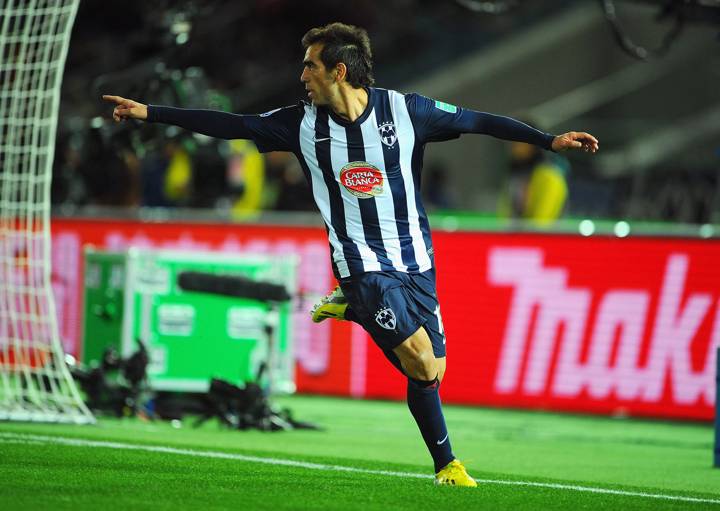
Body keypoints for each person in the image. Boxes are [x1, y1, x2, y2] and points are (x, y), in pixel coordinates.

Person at [104, 22, 598, 487]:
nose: (302, 76)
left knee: (432, 371)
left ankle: (354, 308)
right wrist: (152, 112)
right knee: (421, 361)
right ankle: (446, 463)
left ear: (339, 71)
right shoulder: (300, 124)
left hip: (415, 261)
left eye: (311, 67)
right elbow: (232, 124)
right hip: (360, 262)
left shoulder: (405, 112)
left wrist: (547, 141)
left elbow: (478, 120)